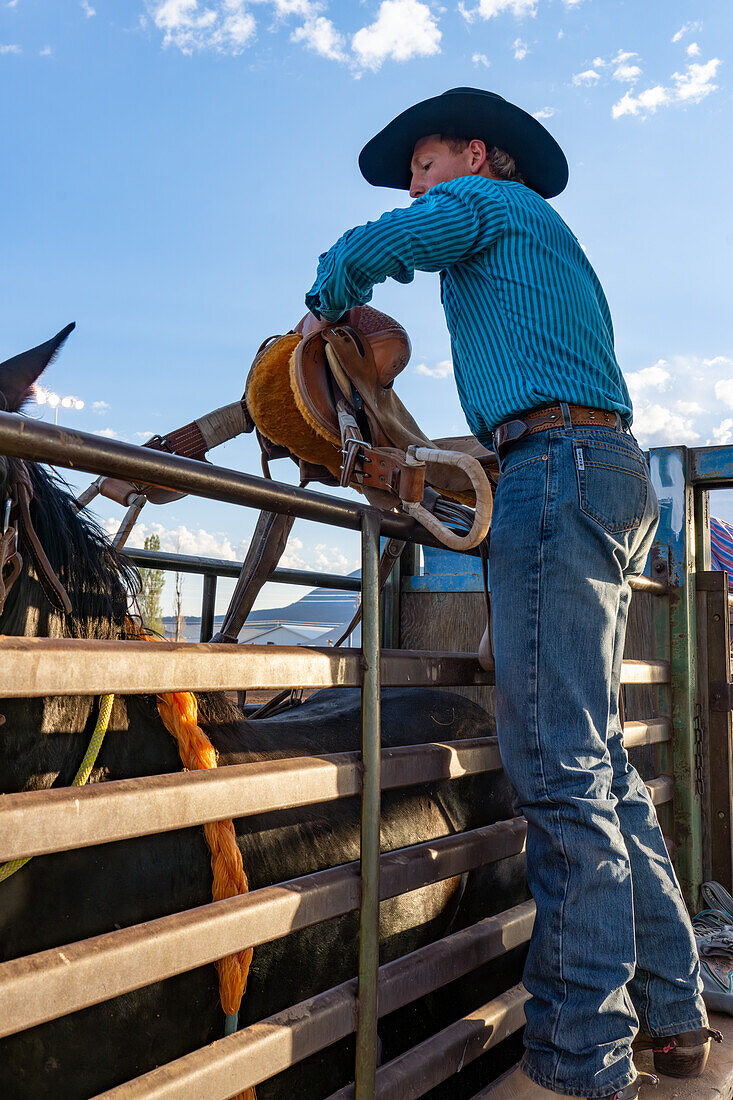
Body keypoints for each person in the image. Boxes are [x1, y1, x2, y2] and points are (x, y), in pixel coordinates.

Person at [305, 88, 714, 1100]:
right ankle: (672, 1012)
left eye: (426, 165)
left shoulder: (490, 203)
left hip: (554, 468)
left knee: (558, 766)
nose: (418, 186)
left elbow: (380, 245)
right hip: (600, 468)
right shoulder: (543, 237)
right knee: (602, 763)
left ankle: (579, 1061)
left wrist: (321, 295)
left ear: (477, 155)